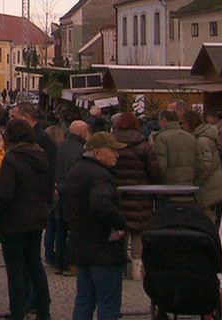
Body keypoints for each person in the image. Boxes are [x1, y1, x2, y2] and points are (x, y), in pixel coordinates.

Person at [61, 131, 128, 320]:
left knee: (84, 300)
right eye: (112, 150)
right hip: (104, 248)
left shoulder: (76, 170)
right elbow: (101, 204)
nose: (117, 154)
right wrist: (121, 222)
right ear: (98, 153)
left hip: (81, 245)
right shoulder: (101, 175)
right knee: (108, 304)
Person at [0, 118, 53, 320]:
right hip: (36, 217)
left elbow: (5, 195)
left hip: (14, 220)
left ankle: (18, 312)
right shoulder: (41, 155)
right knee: (35, 263)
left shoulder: (11, 159)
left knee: (15, 270)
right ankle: (43, 311)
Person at [110, 111, 161, 279]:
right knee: (138, 231)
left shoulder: (111, 142)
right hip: (140, 195)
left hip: (117, 194)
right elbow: (154, 170)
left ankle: (118, 263)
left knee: (120, 227)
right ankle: (137, 269)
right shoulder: (143, 144)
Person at [51, 120, 89, 274]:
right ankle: (70, 263)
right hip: (75, 194)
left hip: (58, 192)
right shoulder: (82, 150)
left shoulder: (58, 147)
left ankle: (58, 261)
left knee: (60, 230)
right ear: (81, 133)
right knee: (73, 231)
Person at [184, 110, 222, 219]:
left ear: (190, 123)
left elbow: (206, 166)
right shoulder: (201, 137)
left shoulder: (202, 141)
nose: (183, 126)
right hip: (211, 185)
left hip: (208, 187)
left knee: (206, 217)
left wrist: (196, 183)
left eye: (184, 123)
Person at [153, 109, 197, 187]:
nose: (159, 124)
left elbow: (161, 167)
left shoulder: (161, 138)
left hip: (169, 188)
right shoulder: (191, 138)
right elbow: (200, 165)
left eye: (159, 121)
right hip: (189, 188)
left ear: (164, 120)